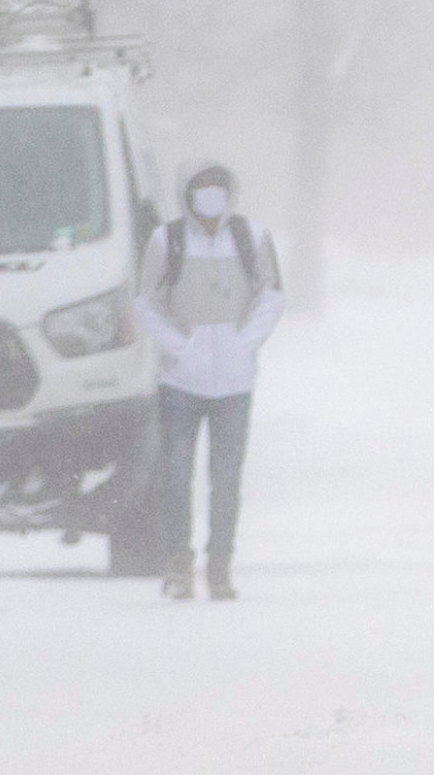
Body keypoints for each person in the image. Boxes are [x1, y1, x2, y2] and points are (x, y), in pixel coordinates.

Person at [135, 161, 286, 601]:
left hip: (234, 385)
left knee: (226, 481)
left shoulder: (251, 238)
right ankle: (178, 564)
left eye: (219, 187)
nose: (211, 195)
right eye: (203, 187)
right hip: (179, 383)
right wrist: (179, 347)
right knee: (176, 476)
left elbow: (271, 295)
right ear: (187, 194)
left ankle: (219, 566)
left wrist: (244, 343)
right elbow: (146, 301)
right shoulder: (167, 240)